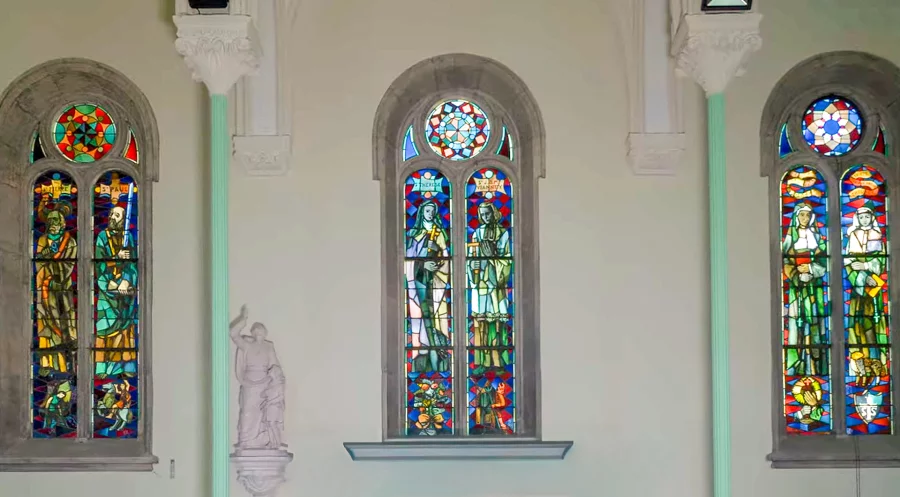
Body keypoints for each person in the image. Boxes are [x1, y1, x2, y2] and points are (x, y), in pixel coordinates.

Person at [782, 203, 828, 376]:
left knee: (815, 324)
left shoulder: (816, 238)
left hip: (814, 288)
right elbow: (786, 262)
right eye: (802, 215)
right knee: (797, 326)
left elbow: (823, 261)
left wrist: (810, 269)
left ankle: (815, 366)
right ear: (796, 217)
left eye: (807, 216)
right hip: (797, 290)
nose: (805, 219)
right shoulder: (790, 239)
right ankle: (798, 366)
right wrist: (796, 275)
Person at [405, 200, 451, 373]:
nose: (430, 214)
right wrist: (422, 265)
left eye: (433, 211)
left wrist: (437, 254)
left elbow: (446, 258)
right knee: (420, 315)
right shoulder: (414, 234)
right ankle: (422, 350)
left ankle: (438, 353)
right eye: (427, 211)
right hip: (418, 281)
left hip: (436, 282)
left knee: (435, 316)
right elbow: (409, 261)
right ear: (421, 213)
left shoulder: (440, 233)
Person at [467, 202, 512, 373]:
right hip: (480, 285)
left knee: (497, 323)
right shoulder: (477, 233)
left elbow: (507, 260)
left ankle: (498, 361)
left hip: (495, 286)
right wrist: (473, 265)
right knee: (480, 323)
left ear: (494, 214)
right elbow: (471, 257)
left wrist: (491, 258)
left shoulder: (503, 233)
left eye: (488, 214)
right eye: (483, 214)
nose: (486, 217)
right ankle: (481, 362)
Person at [34, 196, 77, 375]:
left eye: (56, 220)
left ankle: (65, 365)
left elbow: (67, 268)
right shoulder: (42, 241)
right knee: (46, 329)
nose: (52, 224)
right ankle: (46, 364)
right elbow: (38, 265)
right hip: (43, 292)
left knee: (64, 328)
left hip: (62, 293)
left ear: (63, 223)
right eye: (50, 220)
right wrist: (44, 257)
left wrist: (50, 260)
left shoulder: (70, 243)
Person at [94, 206, 137, 378]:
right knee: (104, 328)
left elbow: (133, 264)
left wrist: (126, 281)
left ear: (123, 219)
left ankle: (127, 367)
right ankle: (102, 369)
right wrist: (116, 259)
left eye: (117, 215)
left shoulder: (128, 238)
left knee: (126, 328)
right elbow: (99, 263)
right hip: (107, 291)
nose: (113, 217)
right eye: (111, 214)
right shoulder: (102, 237)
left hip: (124, 293)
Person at [231, 305, 282, 448]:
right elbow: (234, 334)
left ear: (265, 333)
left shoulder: (268, 347)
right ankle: (246, 441)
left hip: (265, 383)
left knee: (262, 414)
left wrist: (276, 378)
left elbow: (275, 365)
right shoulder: (247, 345)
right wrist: (243, 319)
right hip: (249, 382)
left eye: (261, 331)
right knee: (247, 411)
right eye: (256, 330)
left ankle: (262, 439)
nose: (259, 333)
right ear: (253, 333)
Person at [844, 205, 888, 360]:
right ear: (857, 219)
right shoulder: (853, 236)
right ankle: (860, 358)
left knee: (874, 320)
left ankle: (878, 359)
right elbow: (848, 262)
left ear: (872, 218)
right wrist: (862, 276)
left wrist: (867, 266)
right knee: (858, 322)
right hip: (858, 286)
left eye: (867, 217)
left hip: (874, 286)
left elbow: (881, 261)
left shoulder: (877, 234)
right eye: (861, 217)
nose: (864, 220)